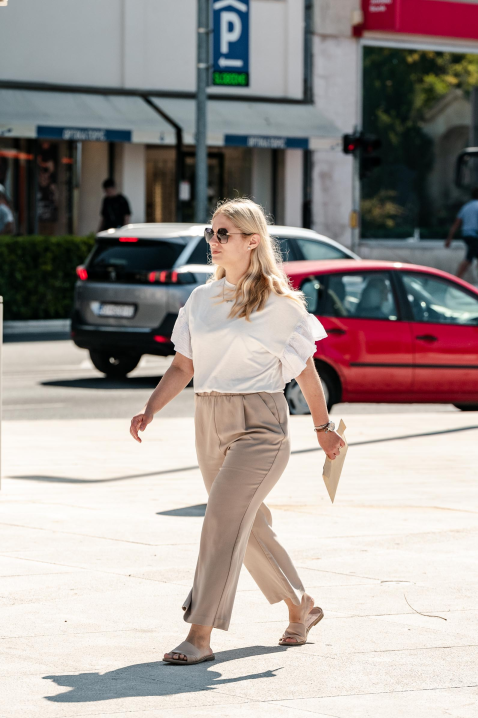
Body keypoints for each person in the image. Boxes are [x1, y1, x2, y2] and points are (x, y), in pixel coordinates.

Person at [129, 198, 346, 665]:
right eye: (211, 232)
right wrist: (149, 408)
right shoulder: (200, 300)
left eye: (223, 234)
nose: (213, 241)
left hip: (261, 426)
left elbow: (306, 374)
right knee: (247, 528)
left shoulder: (282, 306)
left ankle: (200, 634)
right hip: (208, 419)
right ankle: (301, 606)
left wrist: (323, 428)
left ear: (252, 241)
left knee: (222, 519)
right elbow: (183, 366)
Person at [445, 187, 478, 281]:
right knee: (468, 259)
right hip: (475, 236)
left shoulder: (466, 207)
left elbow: (456, 223)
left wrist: (449, 238)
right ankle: (455, 280)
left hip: (466, 235)